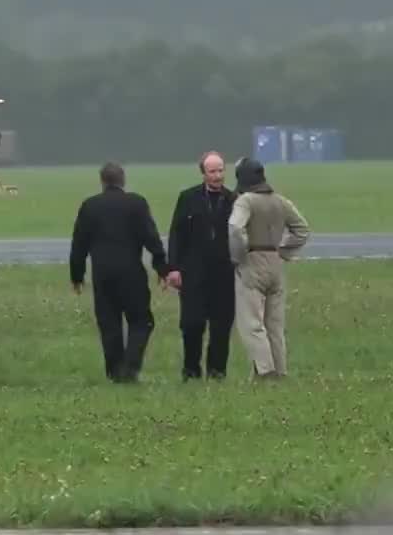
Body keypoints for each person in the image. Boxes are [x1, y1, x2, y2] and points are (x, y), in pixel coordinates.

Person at [69, 162, 170, 383]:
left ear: (102, 181)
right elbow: (150, 237)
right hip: (131, 271)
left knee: (109, 323)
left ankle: (115, 372)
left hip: (102, 274)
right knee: (141, 320)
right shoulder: (136, 203)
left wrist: (77, 276)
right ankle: (130, 367)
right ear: (122, 180)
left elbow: (79, 244)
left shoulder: (90, 206)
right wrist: (162, 268)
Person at [227, 157, 310, 379]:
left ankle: (265, 371)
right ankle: (280, 371)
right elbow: (302, 230)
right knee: (274, 325)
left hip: (252, 262)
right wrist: (283, 252)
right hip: (275, 263)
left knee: (252, 323)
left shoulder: (246, 201)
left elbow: (235, 228)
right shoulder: (280, 201)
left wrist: (238, 255)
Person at [165, 151, 237, 381]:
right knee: (192, 324)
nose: (217, 176)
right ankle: (191, 371)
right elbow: (176, 234)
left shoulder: (234, 199)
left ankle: (217, 372)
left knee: (221, 326)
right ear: (203, 173)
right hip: (193, 273)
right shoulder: (188, 198)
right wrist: (173, 268)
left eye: (220, 170)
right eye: (212, 171)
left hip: (224, 274)